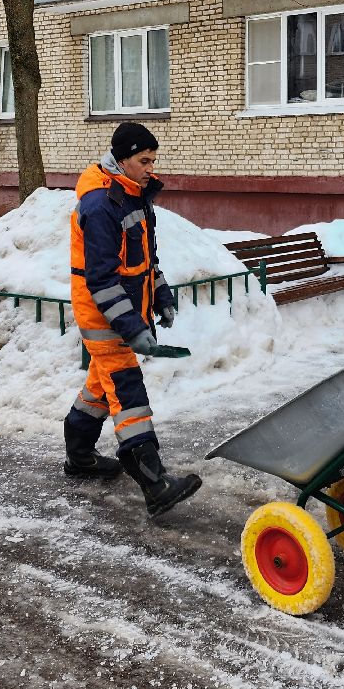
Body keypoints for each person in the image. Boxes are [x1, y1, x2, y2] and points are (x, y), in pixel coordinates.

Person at [65, 122, 202, 518]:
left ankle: (79, 455)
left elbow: (146, 260)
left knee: (100, 383)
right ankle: (155, 483)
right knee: (126, 392)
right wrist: (133, 328)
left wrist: (160, 297)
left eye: (153, 160)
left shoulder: (134, 195)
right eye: (144, 160)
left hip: (125, 310)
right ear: (122, 158)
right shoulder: (100, 203)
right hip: (101, 313)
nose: (150, 168)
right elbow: (101, 279)